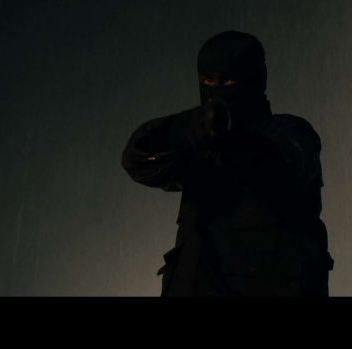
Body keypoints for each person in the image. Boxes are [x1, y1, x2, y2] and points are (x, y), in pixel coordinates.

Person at [121, 31, 333, 296]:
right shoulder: (200, 142)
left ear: (254, 80)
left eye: (229, 80)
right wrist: (192, 127)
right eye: (208, 80)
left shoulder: (289, 134)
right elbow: (138, 159)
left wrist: (236, 139)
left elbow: (286, 169)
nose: (217, 89)